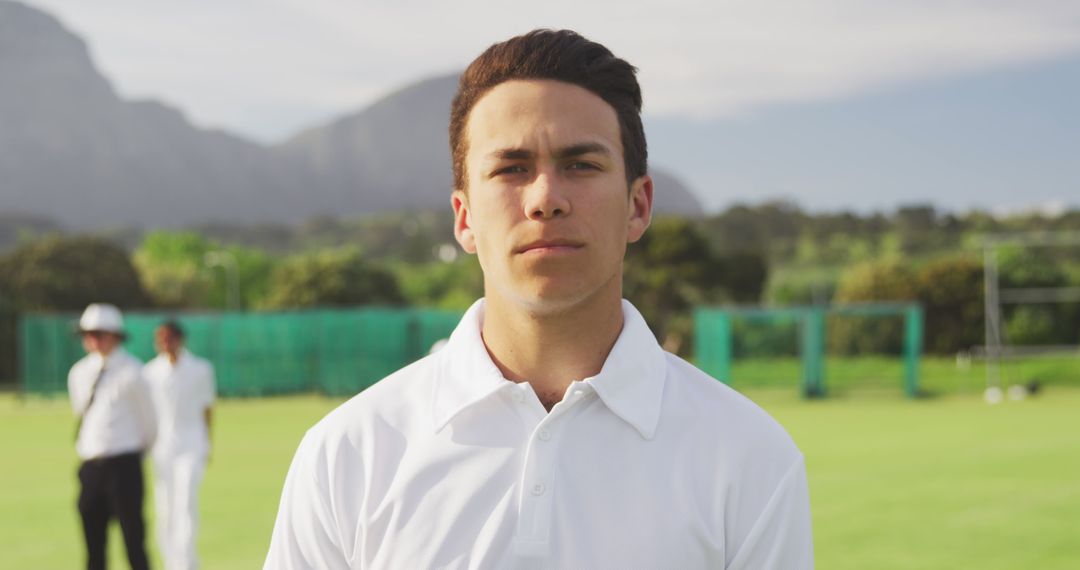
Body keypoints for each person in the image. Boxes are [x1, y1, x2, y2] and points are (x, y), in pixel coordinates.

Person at [264, 29, 813, 569]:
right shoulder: (348, 454)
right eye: (511, 168)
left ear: (638, 205)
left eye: (581, 165)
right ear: (464, 218)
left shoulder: (749, 457)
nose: (545, 198)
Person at [69, 303, 156, 570]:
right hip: (91, 465)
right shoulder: (79, 372)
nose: (93, 339)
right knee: (94, 545)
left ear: (115, 336)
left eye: (99, 333)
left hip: (125, 464)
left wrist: (134, 453)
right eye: (88, 334)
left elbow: (150, 423)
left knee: (133, 541)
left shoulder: (133, 372)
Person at [143, 320, 216, 570]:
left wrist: (208, 443)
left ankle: (186, 562)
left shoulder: (200, 369)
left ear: (179, 339)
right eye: (160, 339)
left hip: (192, 442)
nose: (164, 344)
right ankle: (170, 560)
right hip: (162, 447)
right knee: (165, 506)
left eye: (169, 338)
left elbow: (207, 408)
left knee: (186, 501)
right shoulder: (150, 372)